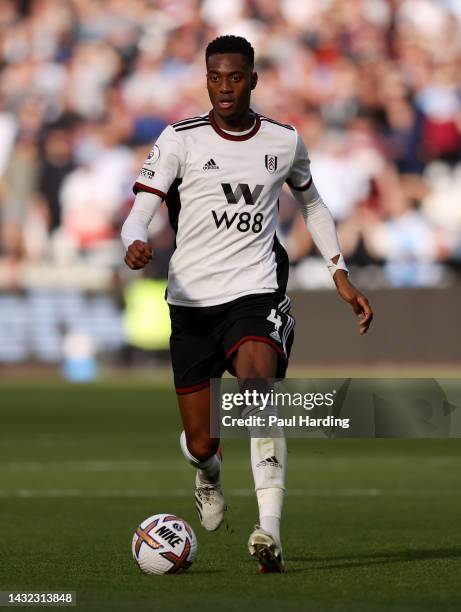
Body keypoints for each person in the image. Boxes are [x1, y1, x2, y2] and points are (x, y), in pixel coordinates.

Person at [121, 35, 373, 573]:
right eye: (216, 77)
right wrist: (133, 241)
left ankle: (270, 531)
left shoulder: (284, 140)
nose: (225, 87)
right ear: (206, 79)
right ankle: (207, 473)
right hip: (190, 302)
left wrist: (339, 272)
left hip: (255, 291)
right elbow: (139, 210)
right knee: (200, 439)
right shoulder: (179, 140)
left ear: (253, 79)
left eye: (236, 77)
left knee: (259, 393)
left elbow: (313, 201)